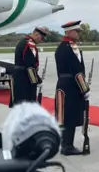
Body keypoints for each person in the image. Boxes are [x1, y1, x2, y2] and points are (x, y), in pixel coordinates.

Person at [54, 21, 90, 156]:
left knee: (64, 116)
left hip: (62, 84)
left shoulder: (61, 47)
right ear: (69, 32)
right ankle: (68, 145)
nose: (79, 34)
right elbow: (76, 71)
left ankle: (65, 144)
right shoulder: (71, 48)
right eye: (77, 31)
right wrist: (85, 89)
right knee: (70, 116)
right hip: (71, 86)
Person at [9, 27, 48, 108]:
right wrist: (38, 81)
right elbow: (30, 67)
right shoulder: (29, 45)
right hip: (24, 80)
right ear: (37, 34)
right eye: (42, 38)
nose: (42, 40)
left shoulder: (24, 42)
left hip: (20, 77)